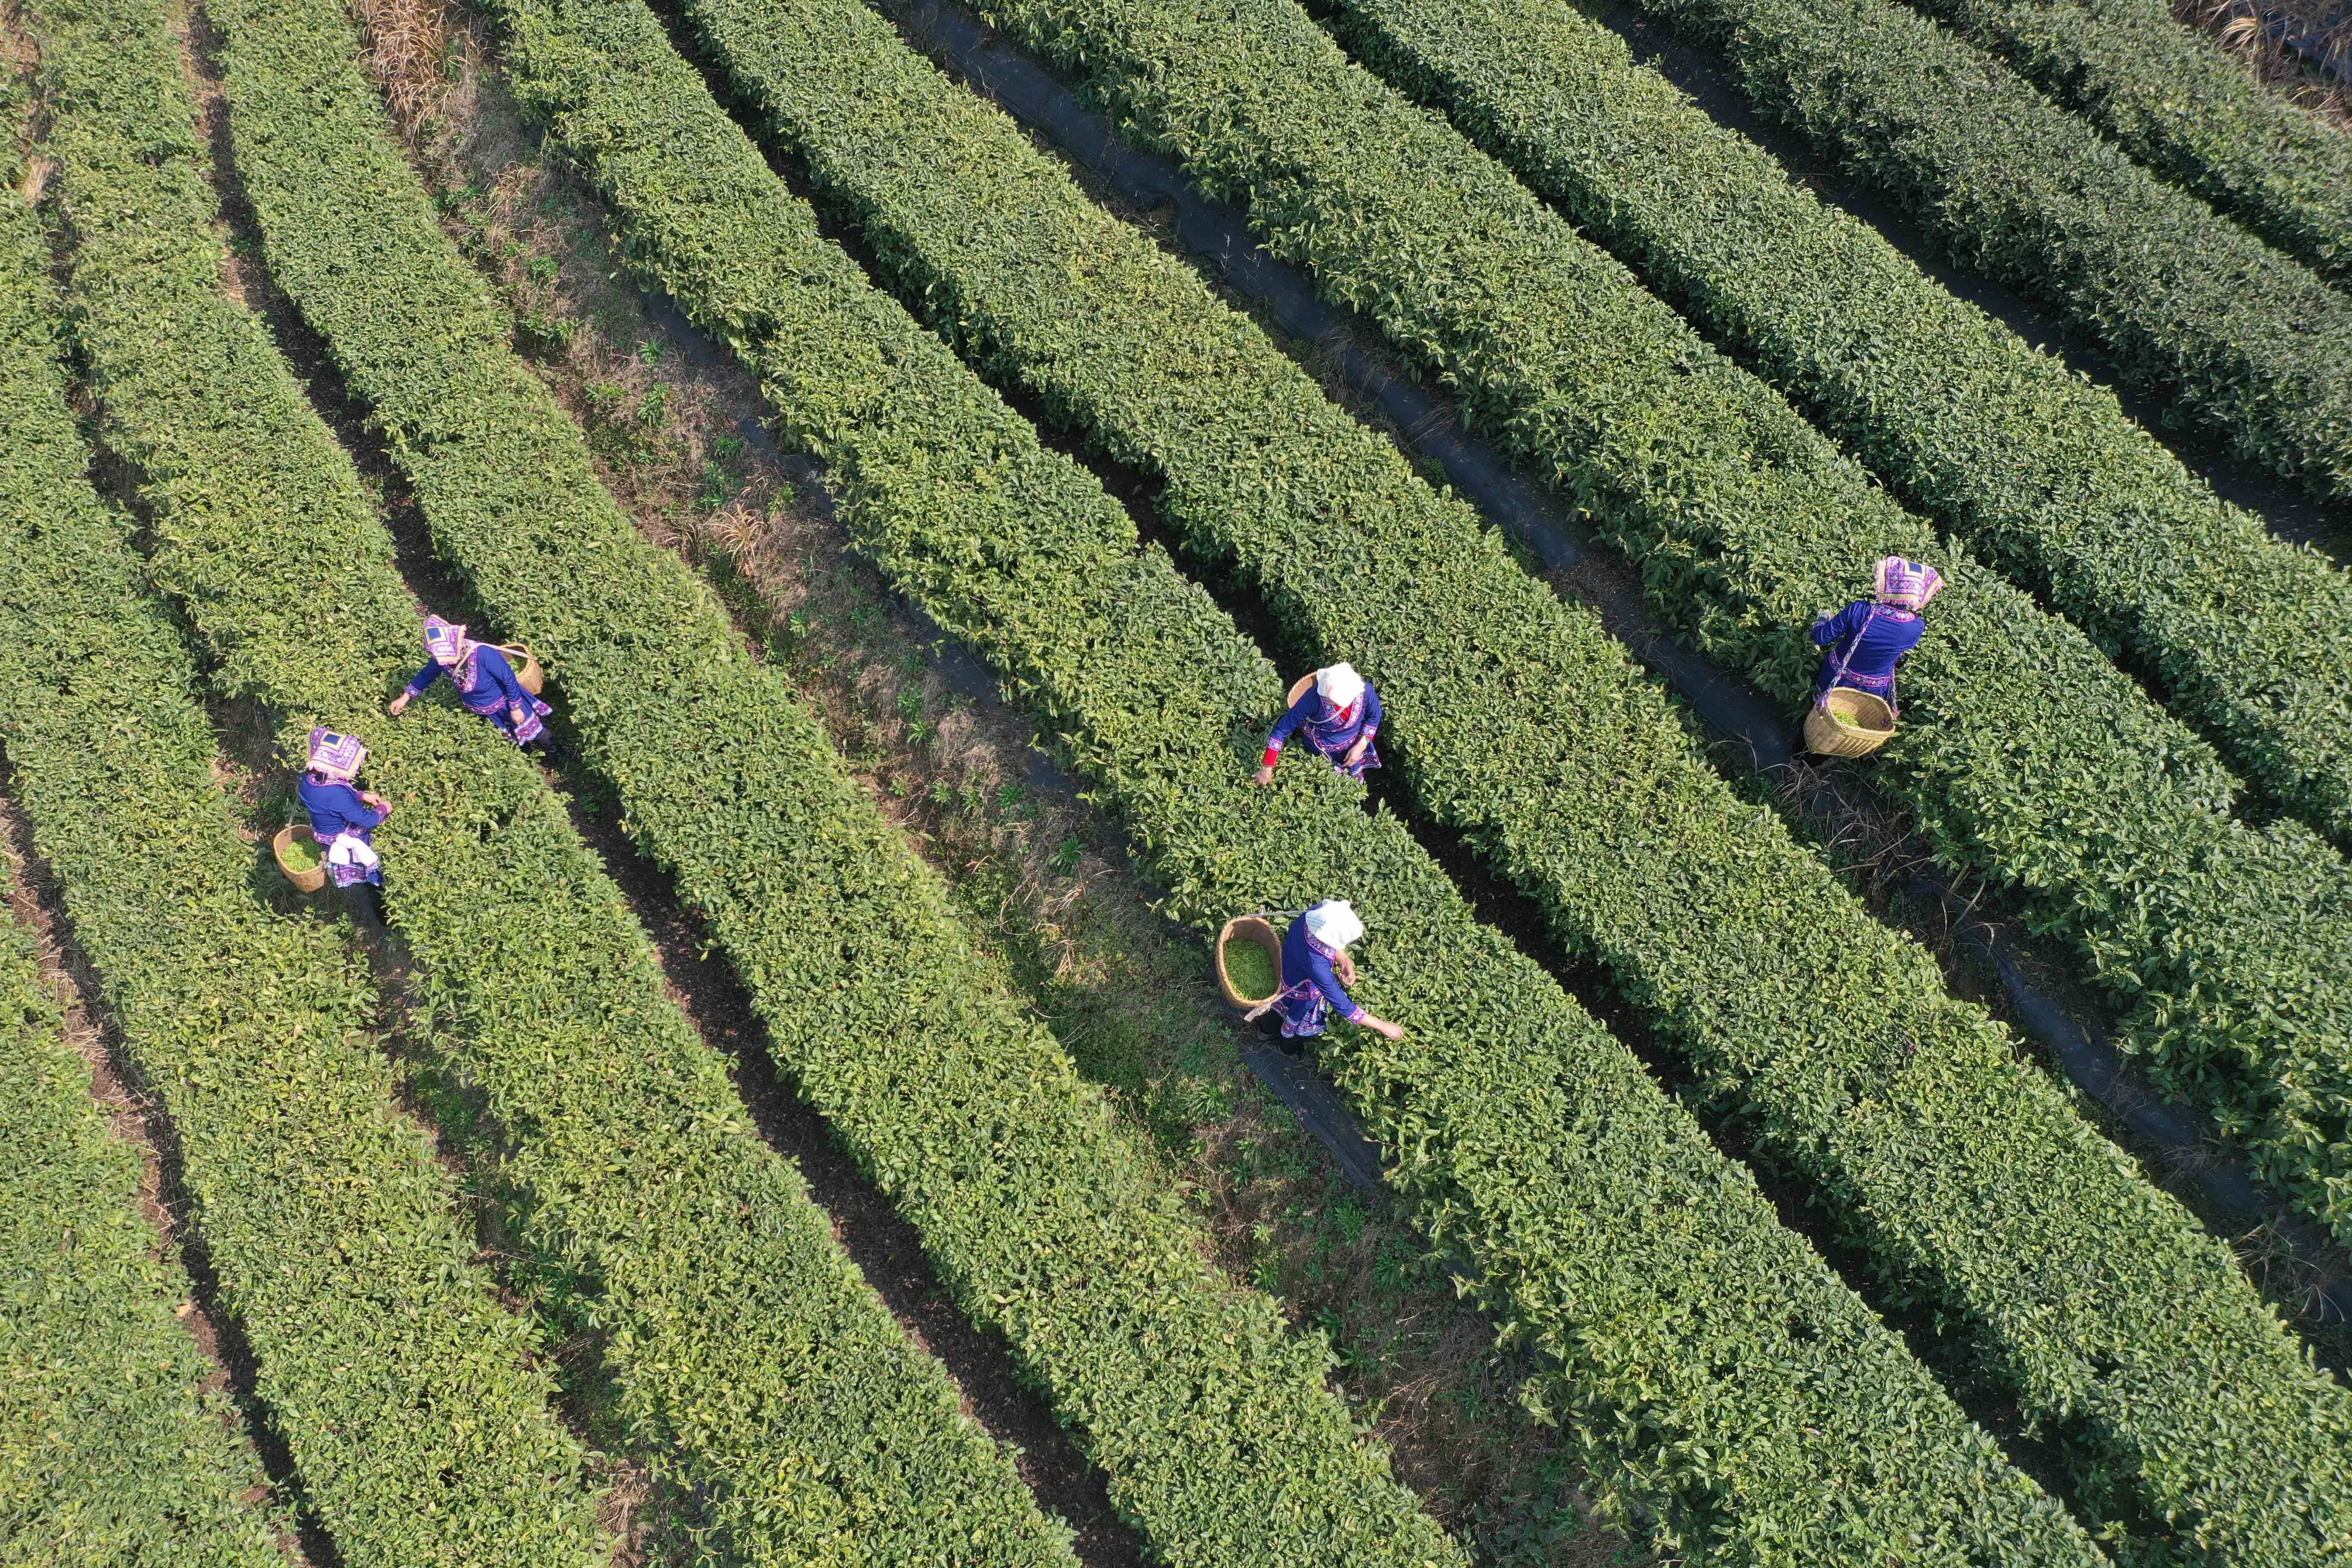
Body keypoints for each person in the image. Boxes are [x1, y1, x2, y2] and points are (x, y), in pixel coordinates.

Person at [388, 616, 555, 757]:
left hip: (506, 705)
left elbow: (509, 679)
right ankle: (530, 758)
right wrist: (405, 698)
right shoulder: (443, 659)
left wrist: (516, 708)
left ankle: (556, 754)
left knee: (537, 733)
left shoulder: (483, 654)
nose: (439, 660)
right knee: (513, 740)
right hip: (483, 711)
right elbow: (426, 675)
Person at [1255, 899, 1406, 1050]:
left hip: (1287, 974)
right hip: (1303, 992)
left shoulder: (1316, 914)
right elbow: (1344, 1006)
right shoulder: (1317, 965)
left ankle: (1264, 1034)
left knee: (1276, 1010)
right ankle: (1287, 1051)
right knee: (1295, 1028)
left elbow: (1323, 937)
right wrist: (1383, 1026)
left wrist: (1345, 961)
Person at [1809, 556, 1945, 722]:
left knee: (1820, 721)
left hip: (1836, 680)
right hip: (1872, 691)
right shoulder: (1915, 626)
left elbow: (1821, 638)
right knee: (1854, 730)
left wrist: (1823, 619)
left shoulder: (1860, 610)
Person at [297, 727, 391, 929]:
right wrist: (384, 809)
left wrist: (361, 795)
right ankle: (384, 919)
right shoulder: (336, 795)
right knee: (372, 882)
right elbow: (367, 820)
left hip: (325, 834)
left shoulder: (308, 779)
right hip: (344, 839)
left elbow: (332, 800)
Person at [1252, 663, 1382, 786]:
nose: (1330, 701)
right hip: (1322, 750)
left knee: (1354, 784)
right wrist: (1267, 767)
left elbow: (1375, 716)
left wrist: (1361, 745)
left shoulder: (1366, 692)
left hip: (1354, 746)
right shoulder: (1312, 698)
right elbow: (1282, 730)